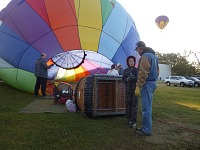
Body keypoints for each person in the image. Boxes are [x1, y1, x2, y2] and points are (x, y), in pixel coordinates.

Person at [135, 41, 159, 136]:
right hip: (153, 83)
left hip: (147, 84)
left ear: (140, 48)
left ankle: (146, 130)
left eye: (137, 50)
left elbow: (143, 73)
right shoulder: (154, 56)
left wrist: (138, 85)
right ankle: (146, 127)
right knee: (148, 107)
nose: (137, 52)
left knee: (146, 109)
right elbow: (157, 71)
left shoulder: (145, 56)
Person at [122, 56, 138, 128]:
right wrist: (128, 79)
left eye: (133, 61)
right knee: (128, 104)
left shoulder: (136, 70)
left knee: (134, 105)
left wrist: (133, 78)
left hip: (134, 90)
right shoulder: (125, 70)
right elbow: (123, 80)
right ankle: (128, 119)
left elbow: (138, 78)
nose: (132, 62)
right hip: (128, 90)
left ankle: (134, 120)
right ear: (128, 62)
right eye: (130, 61)